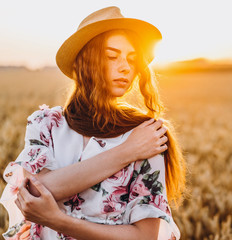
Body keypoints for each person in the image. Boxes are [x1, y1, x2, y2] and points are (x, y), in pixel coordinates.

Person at [0, 6, 186, 240]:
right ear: (85, 62)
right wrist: (126, 152)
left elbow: (145, 236)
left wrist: (57, 221)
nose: (126, 67)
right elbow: (32, 192)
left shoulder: (146, 134)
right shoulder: (46, 123)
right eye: (111, 56)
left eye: (131, 59)